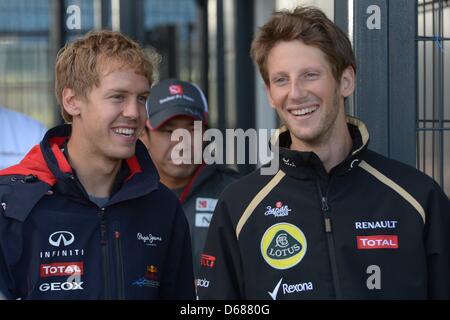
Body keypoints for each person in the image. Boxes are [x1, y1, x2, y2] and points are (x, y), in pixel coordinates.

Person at [197, 6, 450, 300]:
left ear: (345, 81)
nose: (295, 93)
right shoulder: (238, 206)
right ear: (269, 93)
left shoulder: (418, 198)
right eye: (281, 80)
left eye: (310, 75)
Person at [0, 30, 195, 300]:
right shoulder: (11, 205)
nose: (134, 113)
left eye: (141, 98)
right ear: (72, 101)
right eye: (118, 97)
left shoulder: (162, 207)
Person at [140, 78, 240, 284]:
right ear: (143, 135)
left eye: (191, 130)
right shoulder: (124, 196)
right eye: (168, 131)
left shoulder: (236, 194)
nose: (181, 142)